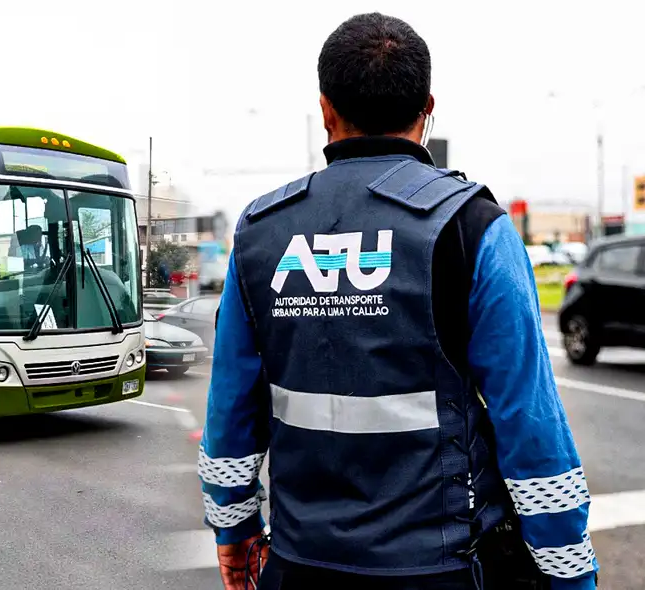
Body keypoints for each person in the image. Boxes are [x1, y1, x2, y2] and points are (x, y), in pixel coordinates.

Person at [199, 12, 598, 590]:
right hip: (441, 568)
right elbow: (529, 423)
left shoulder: (261, 232)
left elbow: (231, 406)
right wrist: (570, 572)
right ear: (427, 109)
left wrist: (232, 525)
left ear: (325, 109)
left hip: (298, 565)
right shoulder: (472, 227)